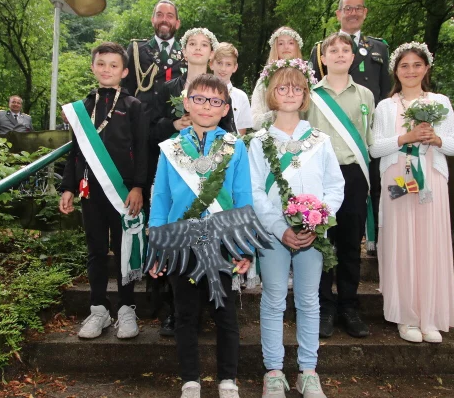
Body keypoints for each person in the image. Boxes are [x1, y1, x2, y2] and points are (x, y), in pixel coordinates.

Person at [148, 74, 252, 398]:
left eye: (215, 101)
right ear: (187, 103)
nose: (207, 106)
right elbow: (161, 199)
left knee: (225, 314)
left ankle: (228, 380)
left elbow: (243, 196)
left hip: (221, 242)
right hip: (181, 243)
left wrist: (244, 246)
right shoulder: (171, 148)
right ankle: (190, 379)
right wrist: (156, 246)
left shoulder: (235, 147)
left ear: (225, 109)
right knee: (186, 313)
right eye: (200, 99)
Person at [249, 60, 344, 398]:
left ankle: (308, 370)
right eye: (282, 87)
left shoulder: (320, 139)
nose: (290, 93)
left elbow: (335, 186)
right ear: (271, 93)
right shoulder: (259, 142)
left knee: (309, 300)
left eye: (297, 88)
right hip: (275, 235)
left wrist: (318, 219)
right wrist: (279, 228)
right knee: (274, 299)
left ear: (305, 95)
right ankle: (273, 370)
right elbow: (256, 191)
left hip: (313, 237)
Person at [369, 41, 454, 344]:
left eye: (417, 65)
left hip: (431, 179)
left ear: (426, 68)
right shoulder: (386, 106)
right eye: (404, 65)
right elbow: (376, 147)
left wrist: (434, 139)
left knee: (429, 244)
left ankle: (430, 315)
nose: (411, 71)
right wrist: (405, 137)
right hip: (398, 178)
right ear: (396, 70)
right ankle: (406, 316)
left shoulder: (440, 102)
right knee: (401, 244)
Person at [57, 42, 148, 341]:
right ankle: (99, 309)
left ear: (124, 71)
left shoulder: (134, 106)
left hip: (123, 194)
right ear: (93, 67)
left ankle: (126, 309)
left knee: (125, 250)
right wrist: (68, 186)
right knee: (95, 251)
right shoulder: (82, 108)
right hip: (90, 193)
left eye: (113, 65)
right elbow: (75, 151)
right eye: (101, 64)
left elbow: (143, 149)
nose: (107, 70)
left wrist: (138, 186)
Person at [148, 27, 235, 337]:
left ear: (213, 53)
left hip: (210, 175)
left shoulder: (218, 90)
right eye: (192, 44)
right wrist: (176, 125)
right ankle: (174, 311)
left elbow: (231, 132)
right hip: (174, 172)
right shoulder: (166, 88)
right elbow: (152, 126)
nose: (198, 49)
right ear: (182, 51)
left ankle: (211, 307)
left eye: (204, 44)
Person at [310, 0, 390, 258]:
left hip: (357, 150)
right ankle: (322, 298)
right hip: (322, 165)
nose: (353, 13)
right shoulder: (319, 51)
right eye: (347, 8)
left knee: (351, 233)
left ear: (365, 12)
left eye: (358, 8)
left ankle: (373, 243)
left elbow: (386, 91)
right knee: (321, 237)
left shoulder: (379, 48)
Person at [304, 33, 374, 339]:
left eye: (346, 49)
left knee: (349, 243)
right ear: (323, 57)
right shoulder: (311, 95)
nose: (340, 54)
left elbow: (369, 140)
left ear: (353, 56)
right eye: (333, 50)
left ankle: (349, 306)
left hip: (354, 175)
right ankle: (325, 308)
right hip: (319, 177)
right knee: (322, 243)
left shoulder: (366, 95)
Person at [124, 0, 185, 101]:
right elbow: (126, 88)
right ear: (152, 20)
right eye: (159, 15)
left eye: (170, 16)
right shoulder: (136, 49)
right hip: (141, 115)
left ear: (177, 23)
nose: (164, 19)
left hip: (174, 116)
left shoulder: (186, 54)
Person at [251, 26, 304, 129]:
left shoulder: (306, 78)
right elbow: (254, 120)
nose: (286, 47)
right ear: (275, 47)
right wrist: (278, 114)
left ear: (297, 46)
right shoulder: (264, 80)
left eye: (291, 43)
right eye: (281, 43)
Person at [210, 42, 252, 135]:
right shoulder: (202, 92)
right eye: (219, 63)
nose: (223, 69)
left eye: (228, 64)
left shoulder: (241, 97)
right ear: (211, 64)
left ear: (235, 67)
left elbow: (241, 132)